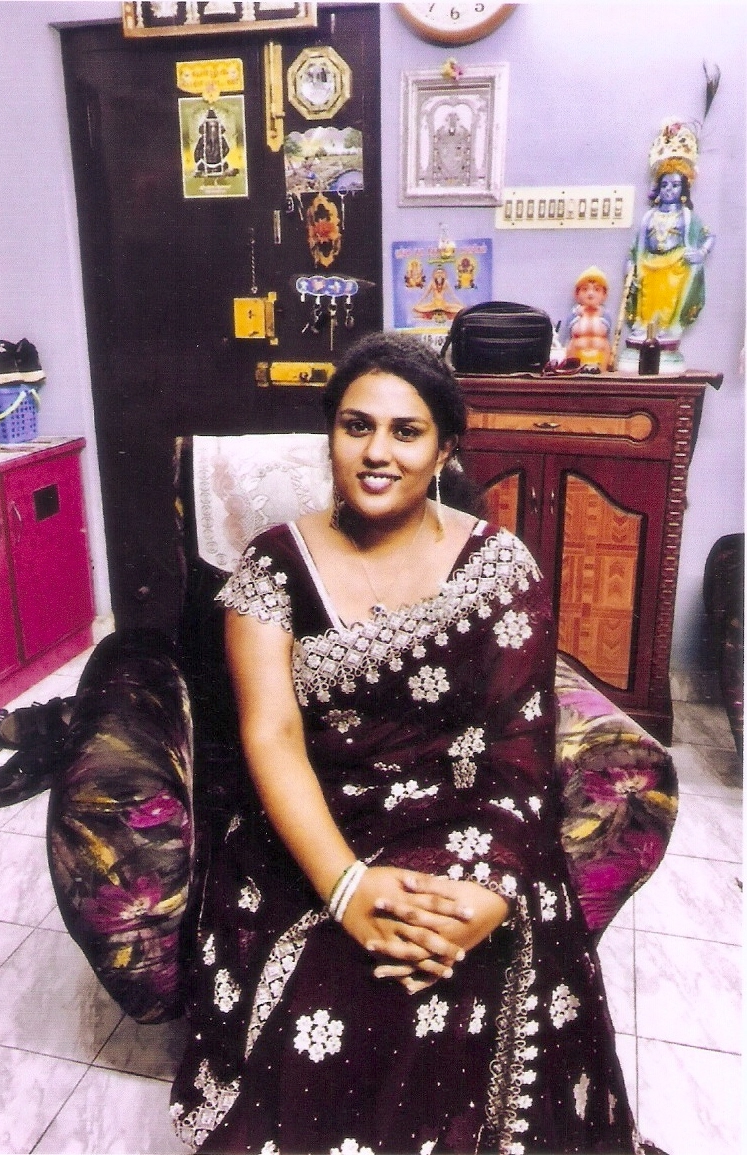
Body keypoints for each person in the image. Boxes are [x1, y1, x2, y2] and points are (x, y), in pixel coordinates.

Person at [170, 332, 658, 1154]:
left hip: (474, 816)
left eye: (406, 431)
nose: (376, 452)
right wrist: (345, 887)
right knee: (343, 985)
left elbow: (518, 742)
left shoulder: (498, 566)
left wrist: (490, 890)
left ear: (444, 449)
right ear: (330, 434)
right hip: (318, 825)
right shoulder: (273, 566)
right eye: (356, 425)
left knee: (481, 957)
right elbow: (272, 733)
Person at [625, 120, 714, 343]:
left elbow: (709, 236)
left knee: (669, 300)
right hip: (648, 265)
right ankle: (644, 327)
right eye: (664, 185)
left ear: (683, 189)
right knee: (647, 298)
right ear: (658, 188)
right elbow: (636, 247)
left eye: (675, 185)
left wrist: (701, 252)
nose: (669, 190)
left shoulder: (687, 217)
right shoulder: (649, 217)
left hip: (675, 266)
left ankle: (668, 327)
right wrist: (631, 265)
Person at [563, 266, 613, 370]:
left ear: (604, 295)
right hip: (577, 360)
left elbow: (605, 333)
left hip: (600, 359)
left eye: (597, 289)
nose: (590, 294)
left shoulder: (605, 315)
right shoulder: (574, 314)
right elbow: (570, 335)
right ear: (576, 294)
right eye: (585, 289)